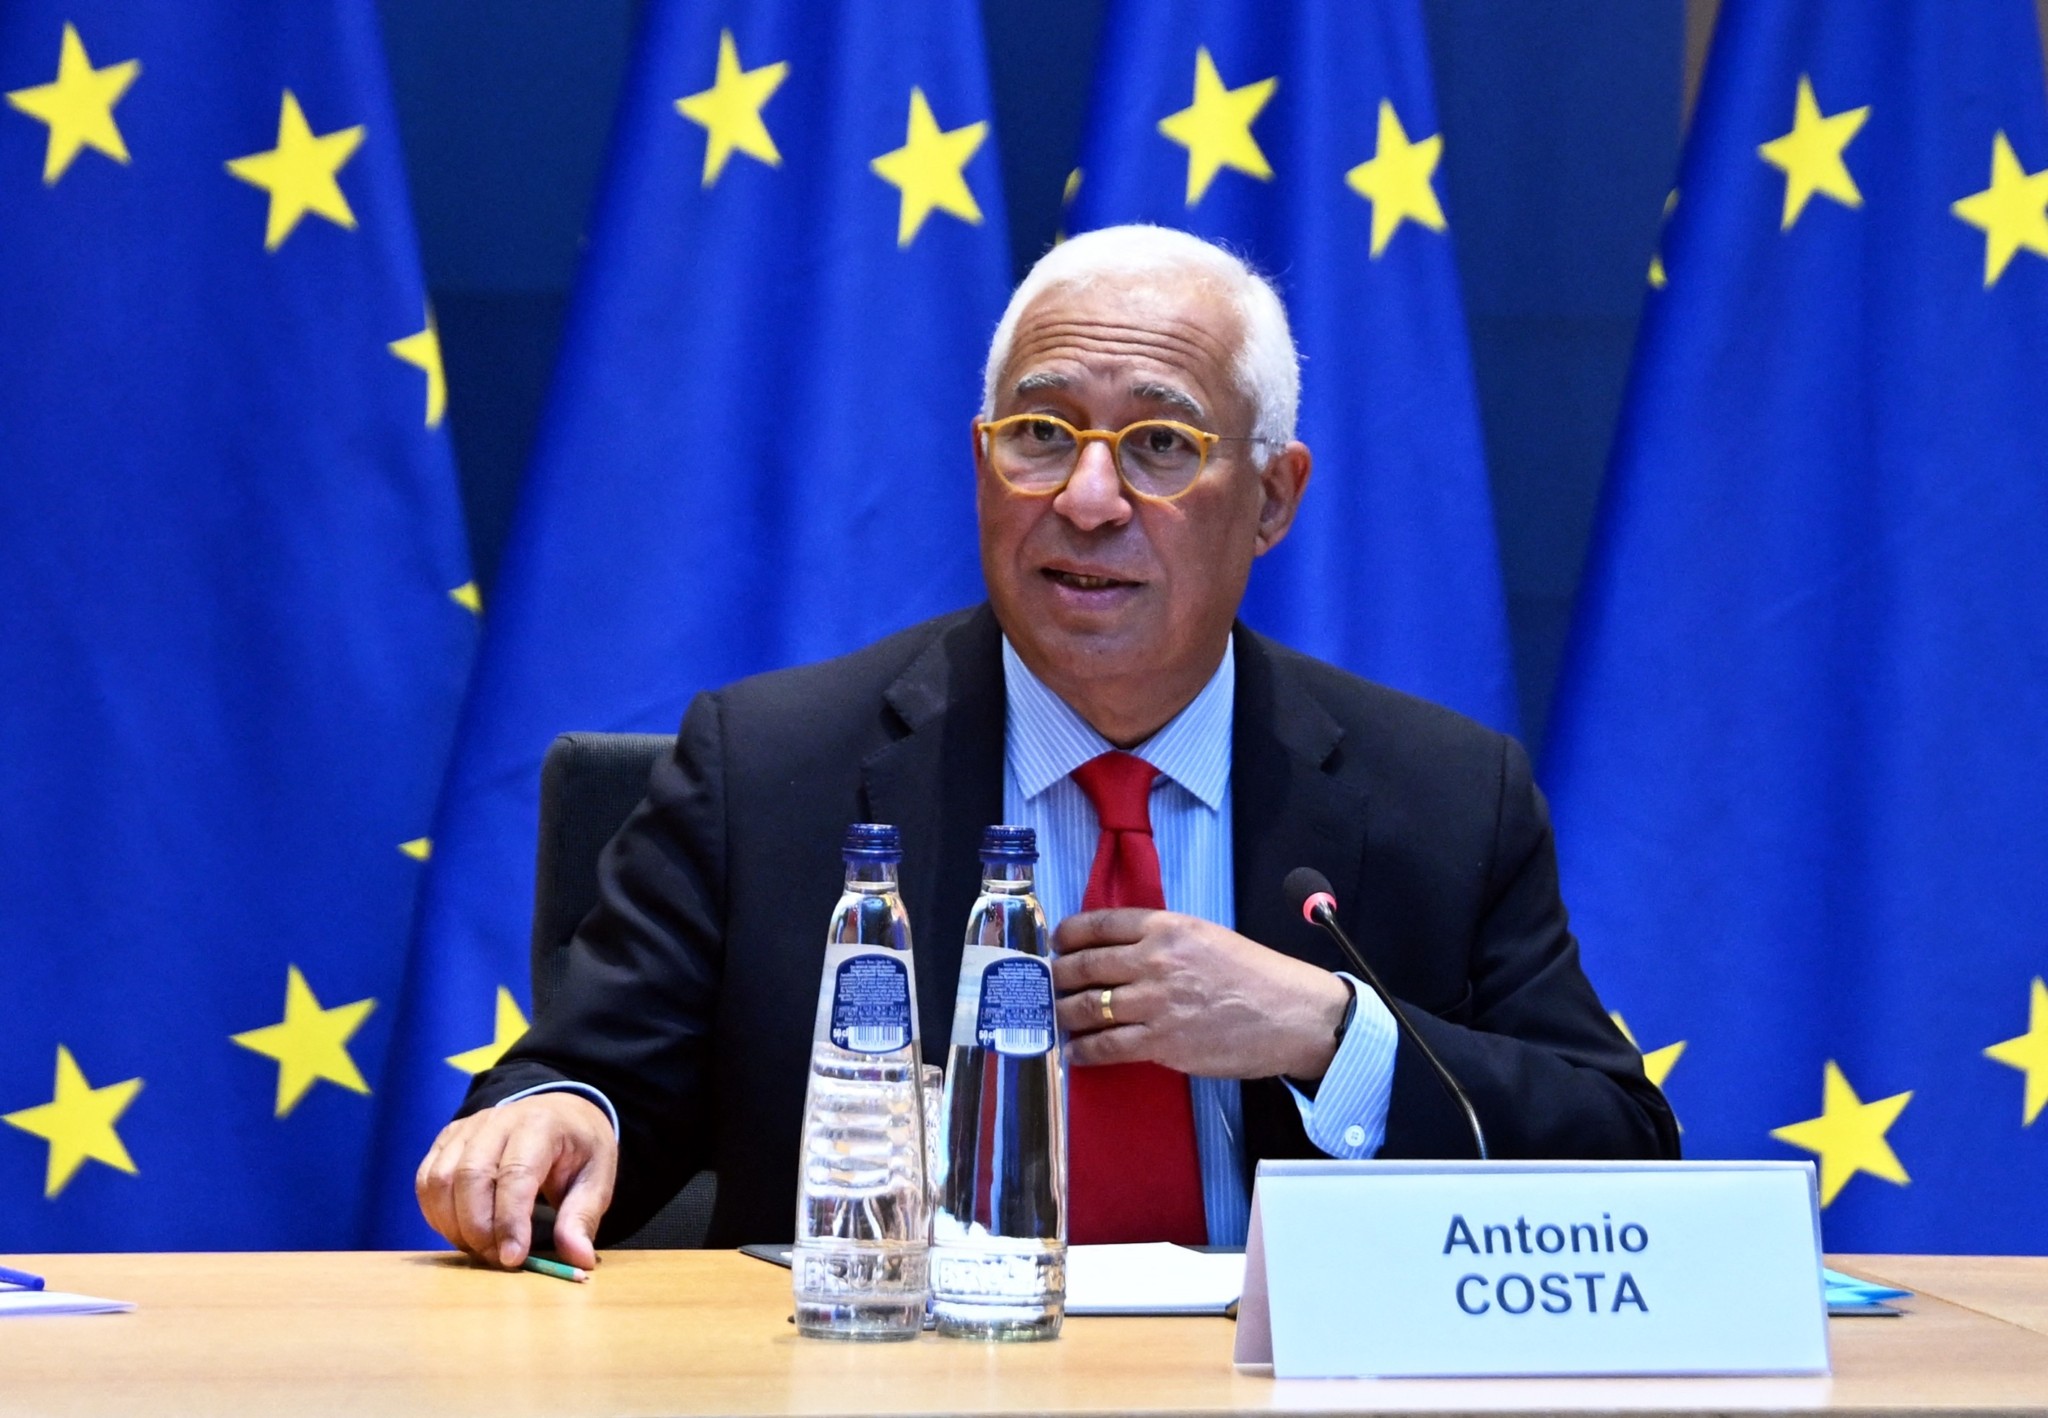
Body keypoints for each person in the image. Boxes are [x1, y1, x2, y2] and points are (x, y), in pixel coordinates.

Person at [416, 225, 1679, 1270]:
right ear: (981, 463)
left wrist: (1327, 1031)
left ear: (1273, 498)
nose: (1085, 498)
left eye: (1160, 445)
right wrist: (554, 1115)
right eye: (1039, 434)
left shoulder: (1442, 797)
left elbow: (1622, 1157)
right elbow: (583, 1077)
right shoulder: (767, 770)